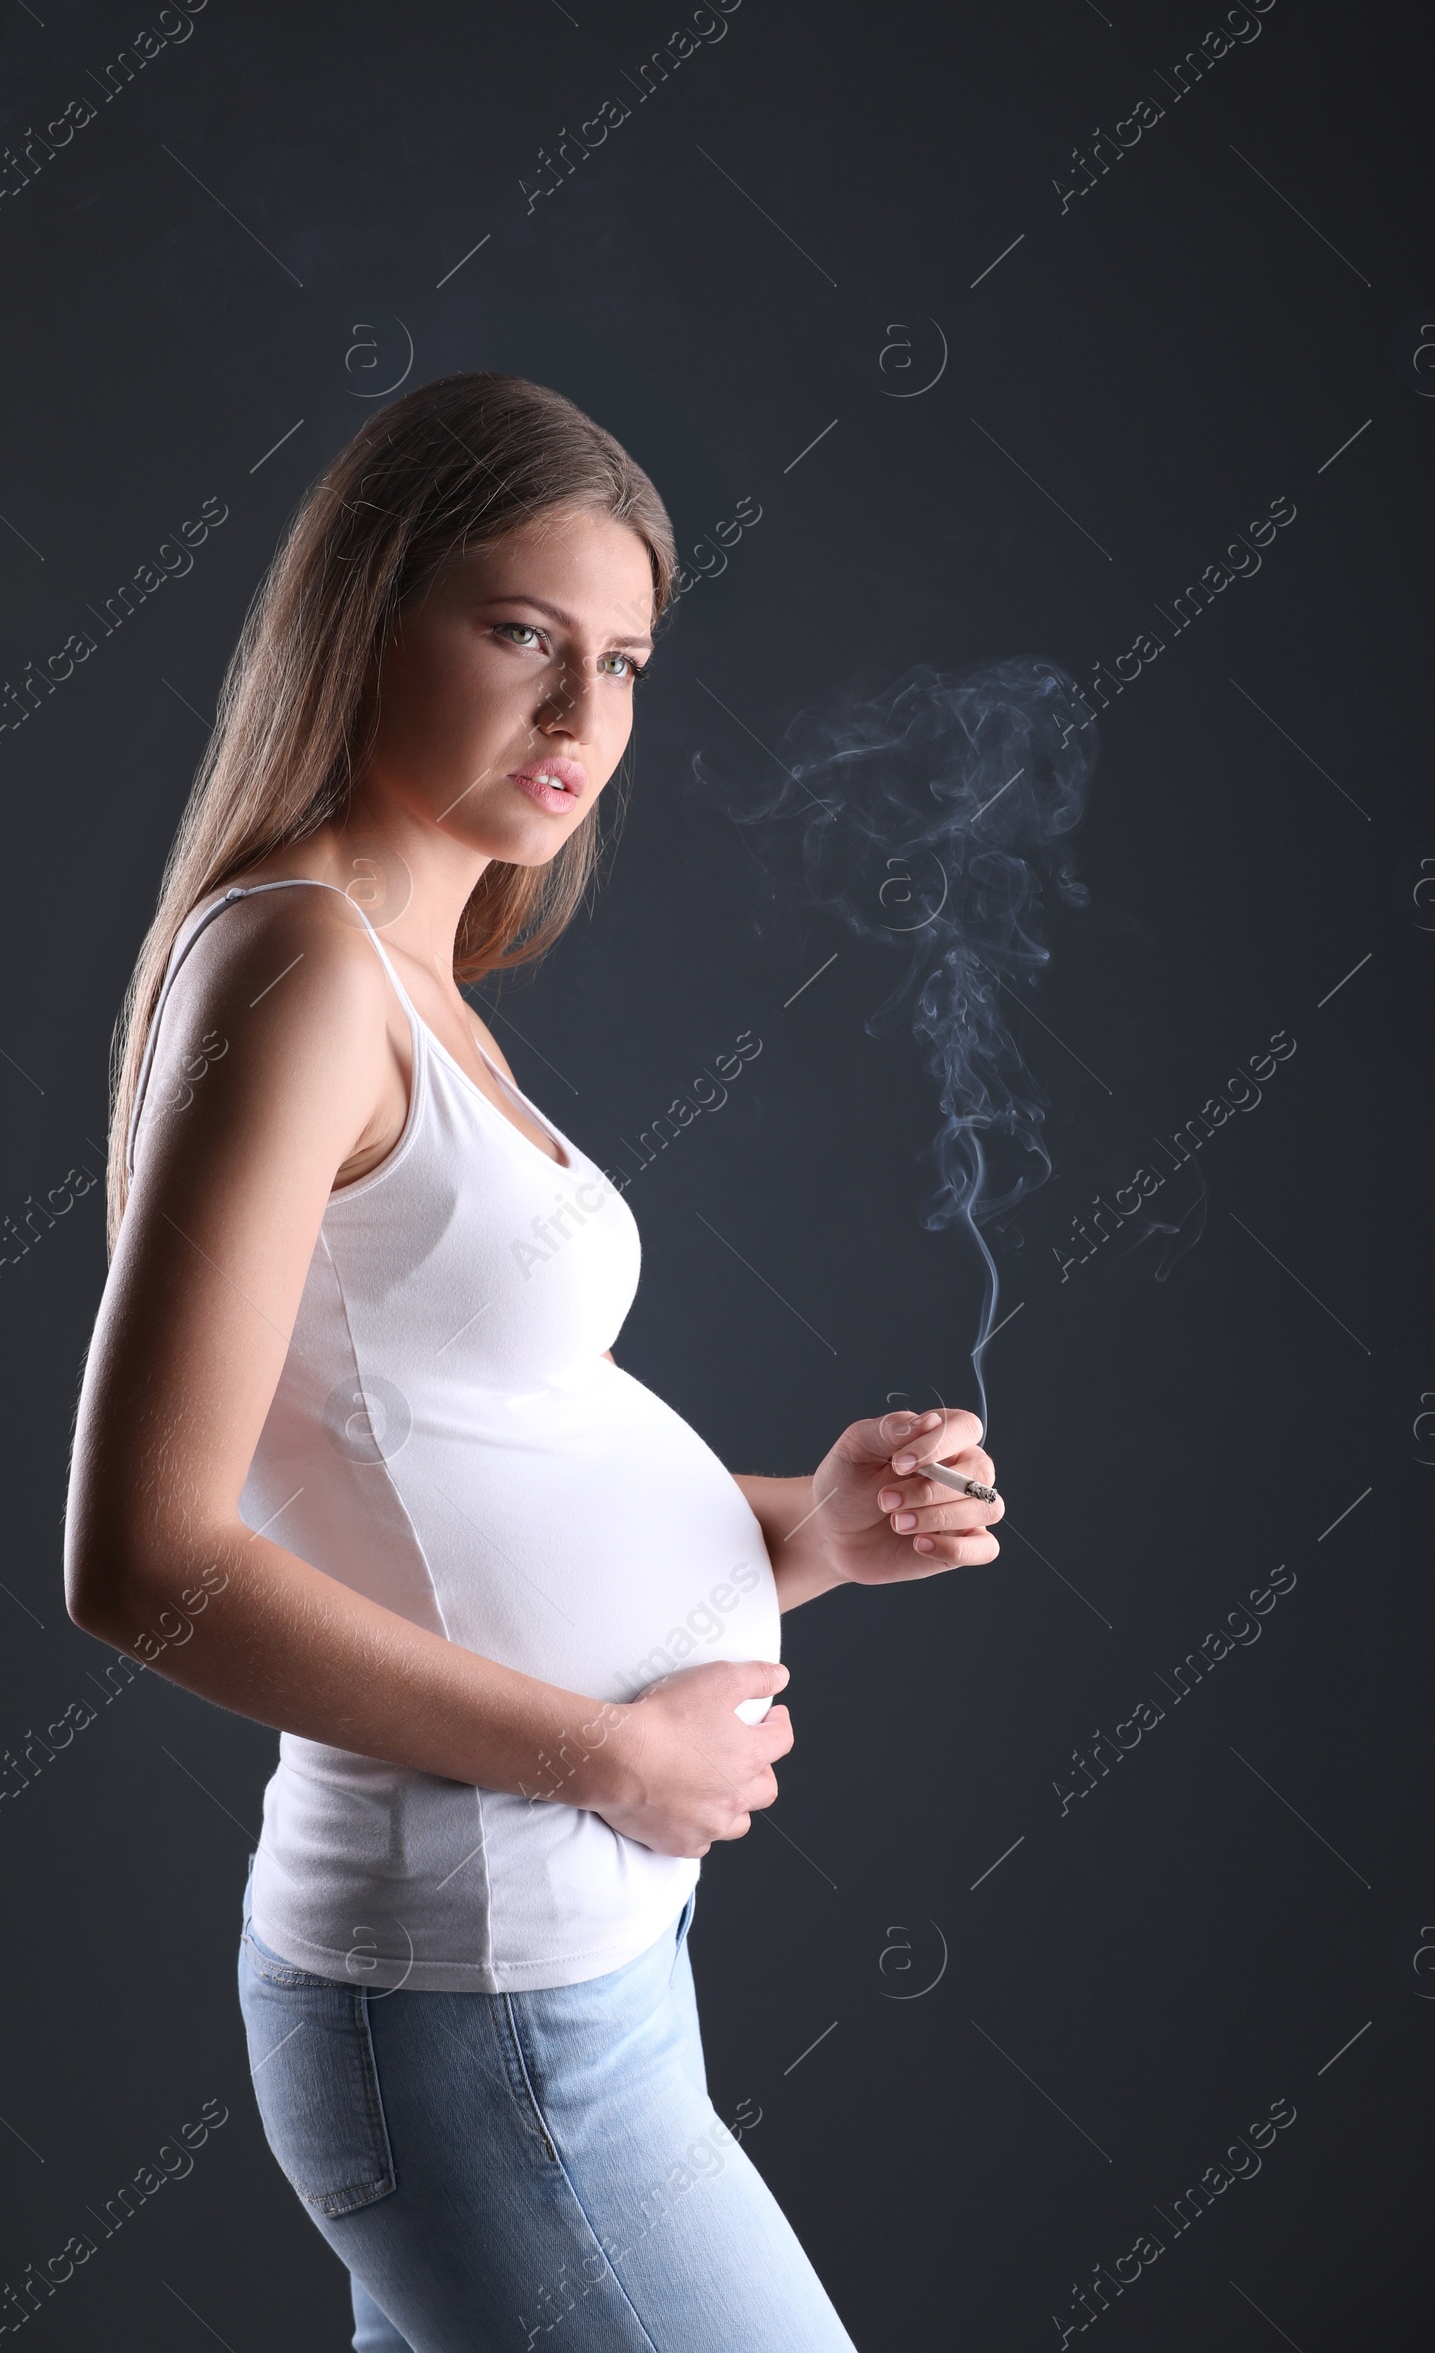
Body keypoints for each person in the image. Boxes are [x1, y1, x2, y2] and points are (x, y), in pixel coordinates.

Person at [63, 371, 1003, 2351]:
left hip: (562, 1982)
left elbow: (442, 1450)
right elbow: (145, 1565)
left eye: (625, 662)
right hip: (474, 2009)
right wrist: (610, 1756)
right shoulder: (299, 967)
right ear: (367, 617)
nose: (582, 719)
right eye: (520, 638)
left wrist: (804, 1530)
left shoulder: (419, 976)